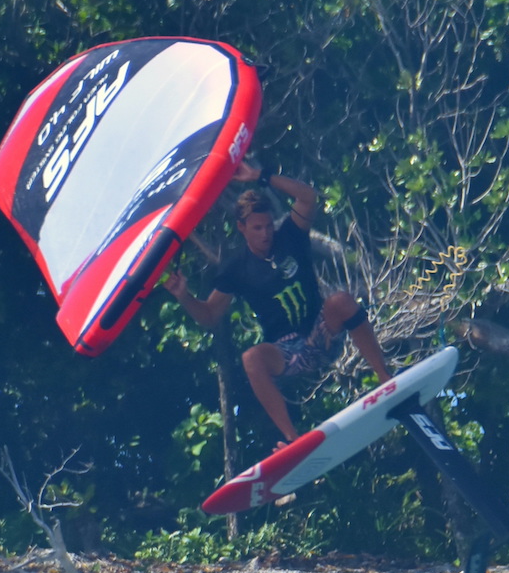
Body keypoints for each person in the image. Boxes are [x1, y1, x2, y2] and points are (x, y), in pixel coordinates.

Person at [162, 160, 391, 442]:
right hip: (287, 353)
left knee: (342, 300)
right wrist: (184, 296)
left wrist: (260, 175)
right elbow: (209, 316)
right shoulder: (235, 268)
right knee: (251, 358)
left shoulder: (291, 236)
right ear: (242, 227)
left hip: (322, 334)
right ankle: (292, 440)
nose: (266, 234)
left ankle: (385, 380)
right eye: (257, 228)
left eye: (269, 226)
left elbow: (308, 197)